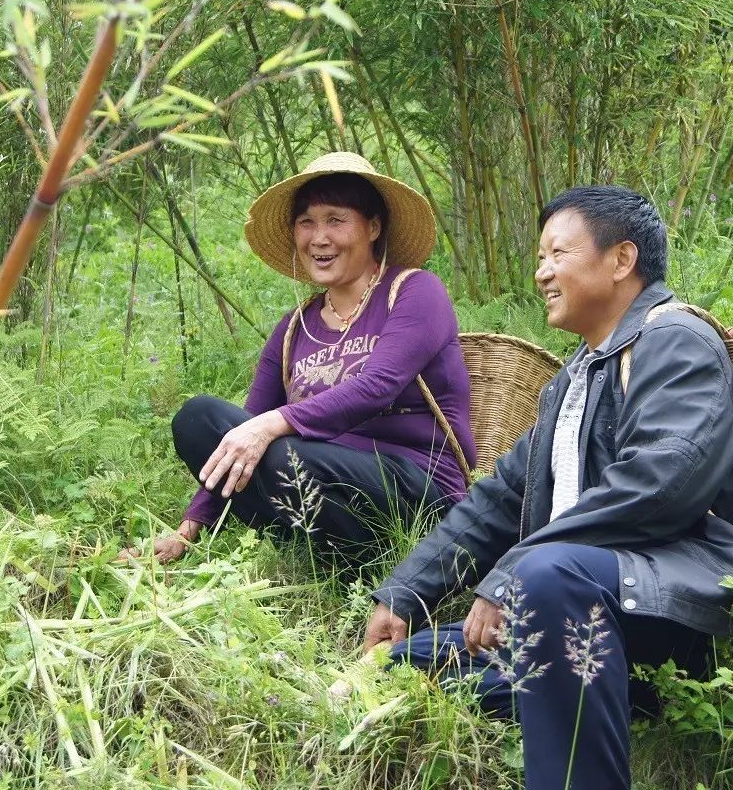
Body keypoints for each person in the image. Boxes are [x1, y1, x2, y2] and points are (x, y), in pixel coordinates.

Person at [362, 186, 733, 789]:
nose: (542, 272)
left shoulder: (675, 342)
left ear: (621, 260)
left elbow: (659, 482)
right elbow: (499, 499)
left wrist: (516, 571)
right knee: (401, 662)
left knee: (546, 576)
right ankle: (611, 695)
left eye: (558, 253)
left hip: (681, 595)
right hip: (586, 596)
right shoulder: (577, 378)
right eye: (539, 257)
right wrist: (403, 594)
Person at [128, 152, 476, 566]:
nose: (318, 237)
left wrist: (273, 426)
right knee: (200, 419)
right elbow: (245, 427)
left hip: (415, 488)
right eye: (306, 222)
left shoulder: (416, 292)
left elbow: (377, 387)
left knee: (278, 450)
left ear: (373, 227)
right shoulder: (295, 327)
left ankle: (376, 554)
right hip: (313, 479)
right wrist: (188, 530)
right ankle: (323, 551)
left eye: (335, 219)